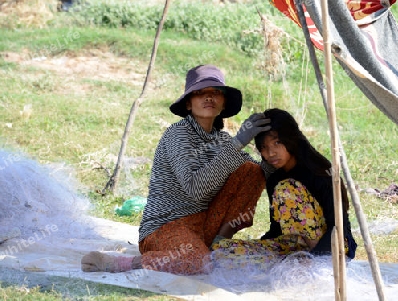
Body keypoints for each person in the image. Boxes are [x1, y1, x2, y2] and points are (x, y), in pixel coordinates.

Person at [81, 64, 273, 275]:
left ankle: (219, 245)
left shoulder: (222, 140)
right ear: (189, 104)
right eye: (200, 93)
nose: (209, 98)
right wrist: (237, 143)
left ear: (223, 104)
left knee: (251, 170)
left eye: (216, 93)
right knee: (196, 262)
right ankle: (123, 263)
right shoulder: (178, 134)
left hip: (206, 225)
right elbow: (195, 189)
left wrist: (270, 148)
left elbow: (260, 175)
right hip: (167, 226)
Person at [211, 108, 357, 268]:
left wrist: (314, 258)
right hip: (293, 248)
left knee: (286, 189)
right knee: (222, 250)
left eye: (277, 143)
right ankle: (294, 262)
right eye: (264, 147)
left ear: (290, 139)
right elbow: (277, 229)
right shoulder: (274, 177)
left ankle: (307, 264)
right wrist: (259, 248)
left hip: (331, 246)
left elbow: (338, 226)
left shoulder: (320, 172)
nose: (271, 153)